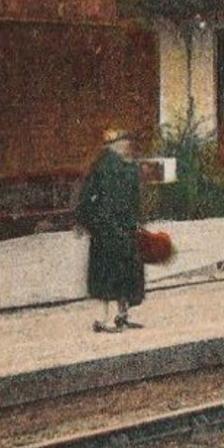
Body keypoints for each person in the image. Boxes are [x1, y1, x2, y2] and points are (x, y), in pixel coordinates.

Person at [78, 128, 145, 333]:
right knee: (109, 274)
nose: (126, 145)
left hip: (122, 229)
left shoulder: (128, 168)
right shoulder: (103, 167)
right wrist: (93, 224)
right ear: (113, 145)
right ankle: (104, 319)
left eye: (126, 141)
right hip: (107, 229)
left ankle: (122, 315)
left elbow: (134, 201)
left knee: (124, 272)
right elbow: (88, 199)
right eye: (122, 142)